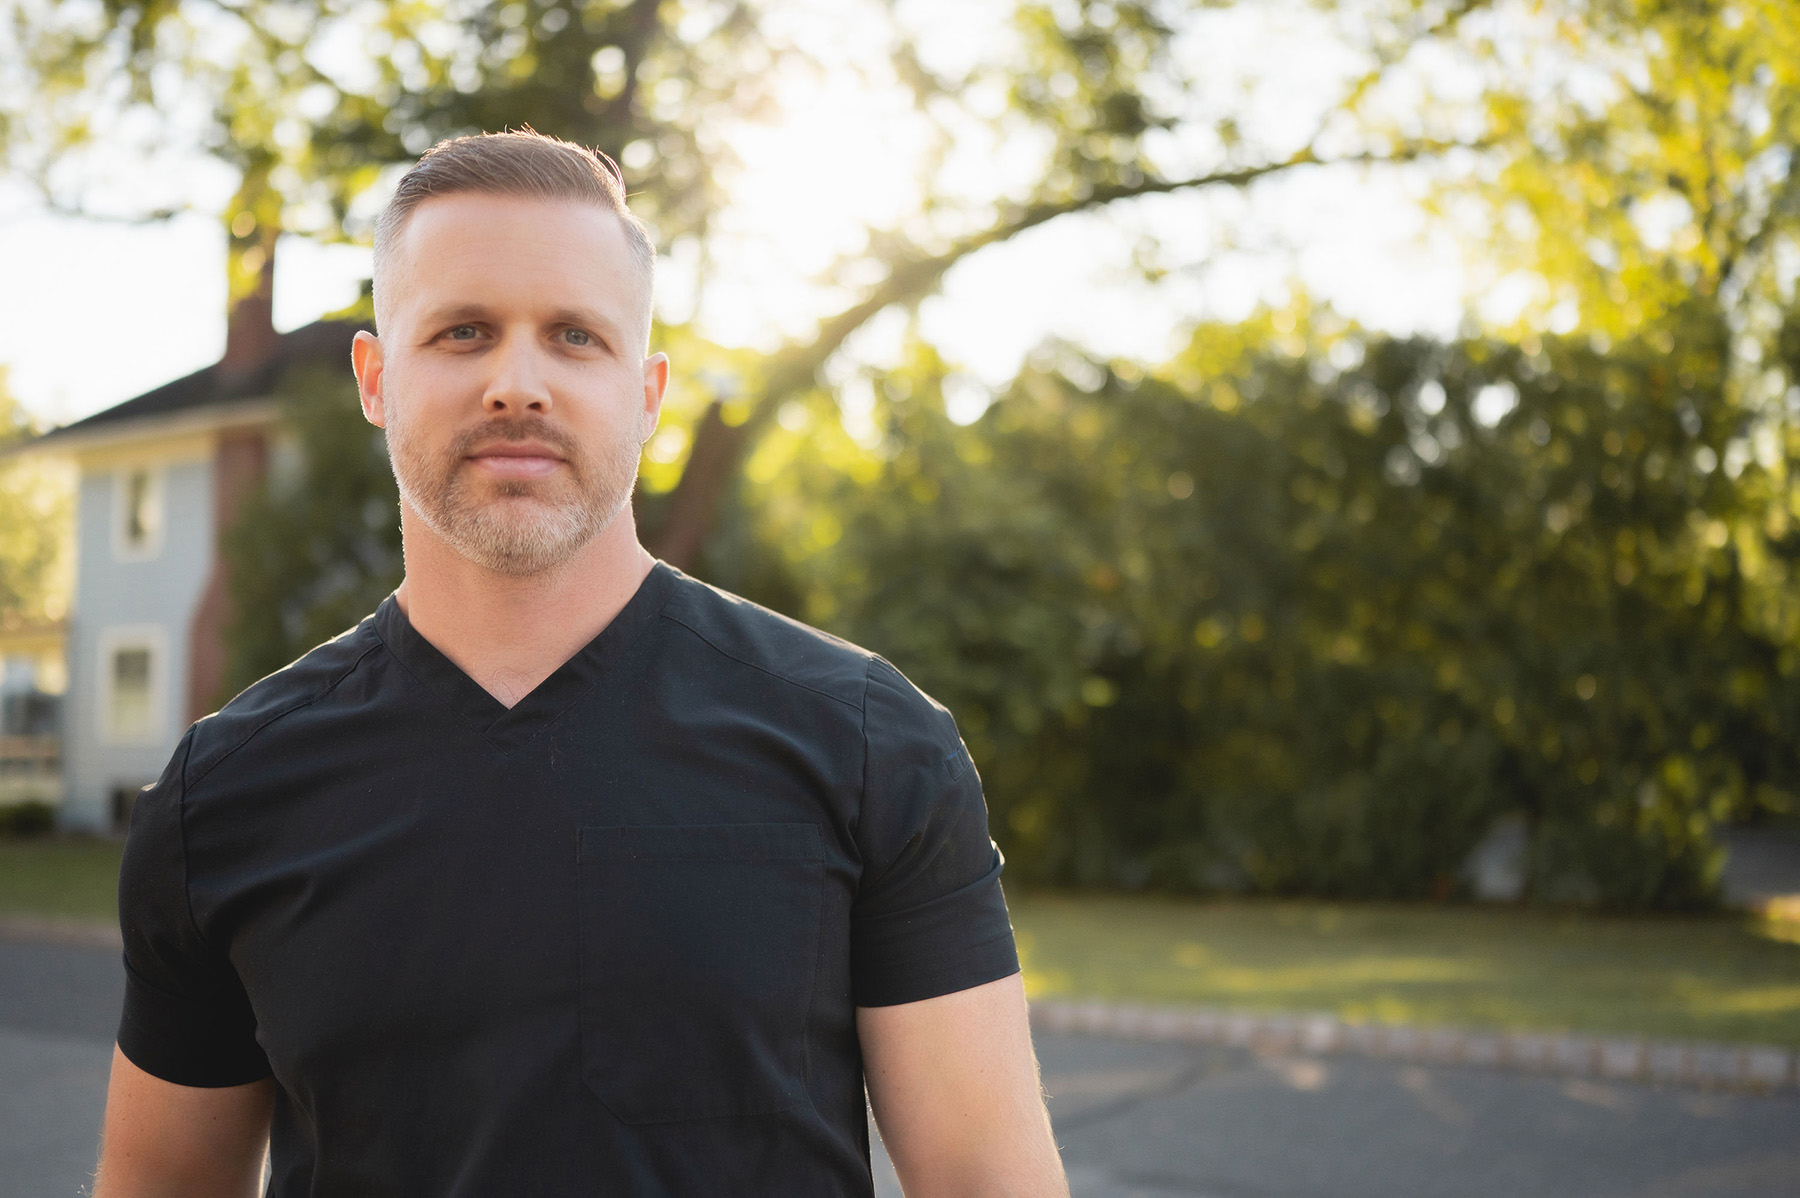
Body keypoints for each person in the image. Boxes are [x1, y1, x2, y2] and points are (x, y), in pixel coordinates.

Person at [93, 130, 1069, 1196]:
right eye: (463, 331)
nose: (518, 384)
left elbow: (988, 1179)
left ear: (649, 393)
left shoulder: (871, 745)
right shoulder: (222, 796)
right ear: (375, 377)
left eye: (574, 336)